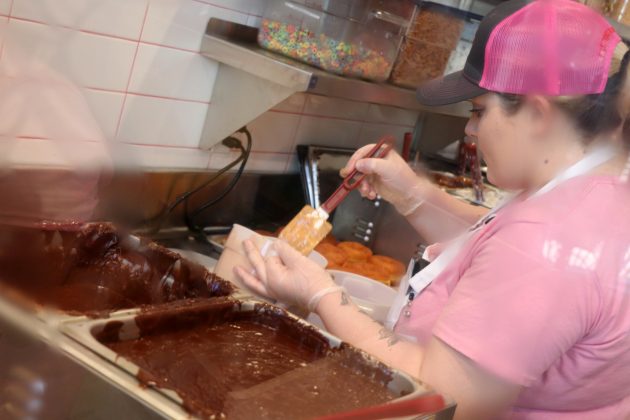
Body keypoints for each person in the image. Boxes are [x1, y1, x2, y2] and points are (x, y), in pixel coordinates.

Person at [235, 0, 630, 418]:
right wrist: (413, 195)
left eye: (479, 111)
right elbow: (491, 246)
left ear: (536, 113)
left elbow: (441, 397)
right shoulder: (596, 196)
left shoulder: (543, 242)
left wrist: (322, 296)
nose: (470, 130)